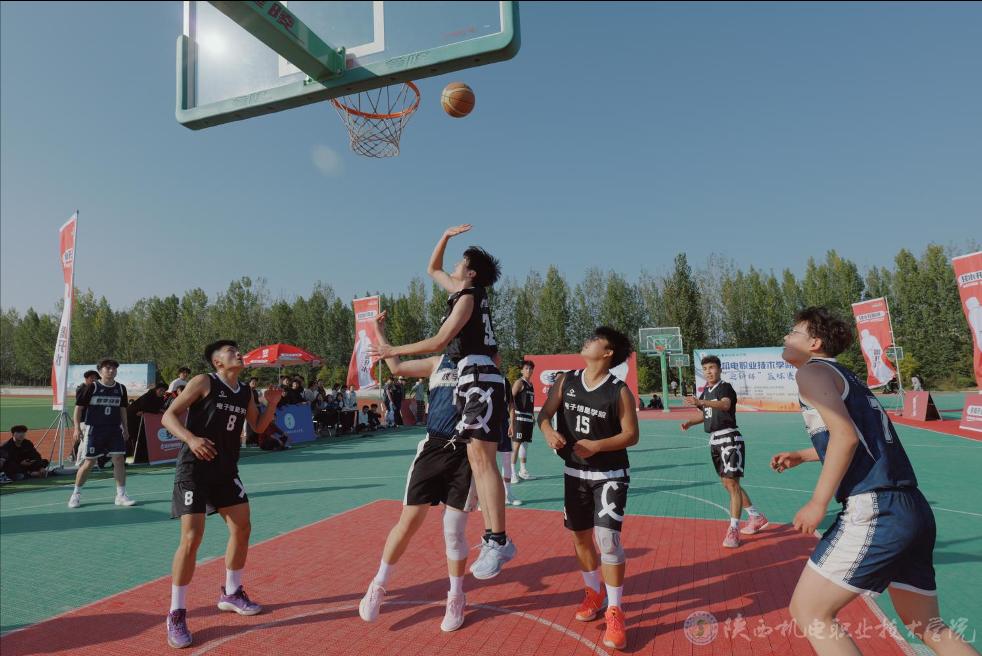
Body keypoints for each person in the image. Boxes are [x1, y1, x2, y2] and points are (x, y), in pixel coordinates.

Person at [772, 307, 978, 656]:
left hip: (876, 509)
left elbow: (845, 437)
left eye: (793, 332)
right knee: (927, 626)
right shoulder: (846, 376)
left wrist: (818, 502)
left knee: (810, 612)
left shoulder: (811, 371)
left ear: (815, 343)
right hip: (911, 507)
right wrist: (805, 454)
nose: (786, 337)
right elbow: (863, 439)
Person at [369, 224, 515, 580]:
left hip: (479, 378)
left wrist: (393, 348)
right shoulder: (465, 293)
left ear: (471, 273)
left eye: (460, 263)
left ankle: (498, 539)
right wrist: (445, 237)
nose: (454, 267)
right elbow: (432, 268)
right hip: (473, 378)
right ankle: (495, 539)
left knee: (483, 462)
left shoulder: (468, 297)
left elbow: (438, 341)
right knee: (479, 460)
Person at [358, 311, 477, 632]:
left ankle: (456, 596)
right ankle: (378, 584)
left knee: (453, 529)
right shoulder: (438, 362)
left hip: (466, 452)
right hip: (433, 449)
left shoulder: (482, 363)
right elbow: (396, 367)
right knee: (409, 521)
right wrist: (379, 331)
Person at [161, 340, 283, 649]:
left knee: (242, 527)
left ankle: (231, 593)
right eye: (231, 351)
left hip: (226, 470)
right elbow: (168, 416)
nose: (238, 353)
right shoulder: (204, 382)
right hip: (194, 468)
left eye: (237, 350)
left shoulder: (245, 392)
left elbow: (258, 427)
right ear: (218, 362)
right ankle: (176, 612)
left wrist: (272, 404)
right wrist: (191, 439)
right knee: (192, 538)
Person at [536, 327, 639, 651]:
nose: (587, 340)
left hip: (610, 475)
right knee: (580, 538)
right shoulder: (565, 381)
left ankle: (615, 611)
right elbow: (544, 415)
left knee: (607, 540)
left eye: (595, 339)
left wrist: (597, 445)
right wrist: (548, 432)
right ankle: (594, 592)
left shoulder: (619, 391)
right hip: (574, 473)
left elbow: (631, 435)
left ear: (607, 352)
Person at [681, 355, 768, 548]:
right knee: (728, 484)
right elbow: (706, 415)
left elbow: (725, 404)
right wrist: (690, 422)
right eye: (705, 369)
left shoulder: (724, 387)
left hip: (729, 438)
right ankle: (756, 517)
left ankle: (733, 530)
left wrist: (702, 402)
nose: (708, 372)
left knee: (732, 483)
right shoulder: (706, 392)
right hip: (715, 441)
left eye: (712, 368)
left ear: (719, 369)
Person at [68, 359, 135, 508]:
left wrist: (125, 428)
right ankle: (76, 494)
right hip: (95, 429)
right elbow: (78, 408)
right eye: (108, 368)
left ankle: (121, 495)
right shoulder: (92, 387)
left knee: (119, 459)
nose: (111, 370)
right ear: (100, 371)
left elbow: (122, 410)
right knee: (89, 462)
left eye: (114, 368)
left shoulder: (121, 388)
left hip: (114, 429)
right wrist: (77, 428)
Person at [510, 360, 536, 481]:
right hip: (519, 418)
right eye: (526, 368)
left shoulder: (530, 385)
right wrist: (511, 419)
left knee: (525, 445)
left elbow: (530, 403)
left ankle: (523, 471)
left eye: (530, 369)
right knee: (516, 445)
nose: (529, 370)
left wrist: (532, 416)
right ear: (521, 370)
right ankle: (511, 473)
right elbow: (510, 399)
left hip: (528, 419)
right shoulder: (519, 382)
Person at [498, 380, 521, 506]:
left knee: (506, 459)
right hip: (484, 426)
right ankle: (484, 499)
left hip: (502, 424)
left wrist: (512, 423)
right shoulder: (479, 377)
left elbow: (511, 404)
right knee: (486, 462)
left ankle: (507, 494)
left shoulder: (503, 381)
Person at [71, 369, 100, 463]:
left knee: (85, 441)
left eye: (96, 378)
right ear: (86, 378)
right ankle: (79, 462)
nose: (94, 380)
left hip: (91, 419)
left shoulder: (93, 388)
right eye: (92, 378)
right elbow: (79, 407)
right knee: (84, 442)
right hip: (83, 419)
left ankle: (78, 459)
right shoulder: (82, 389)